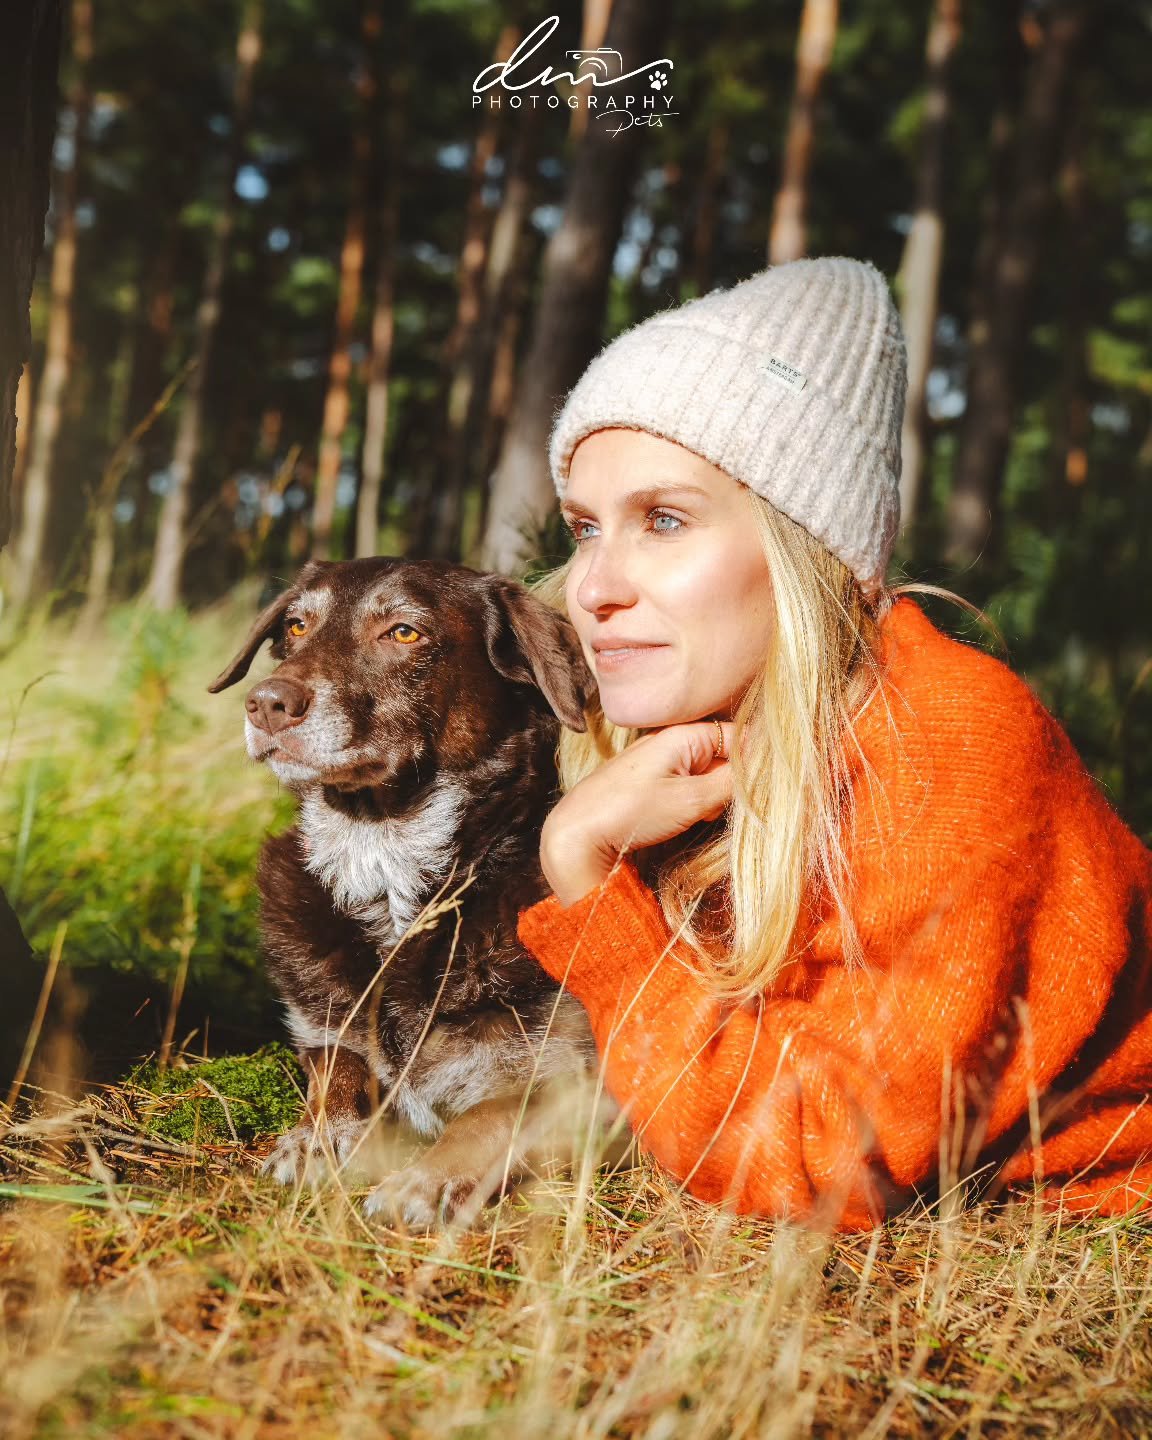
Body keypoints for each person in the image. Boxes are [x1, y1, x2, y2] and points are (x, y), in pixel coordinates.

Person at [514, 256, 1152, 1233]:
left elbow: (814, 1166)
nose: (594, 585)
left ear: (811, 549)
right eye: (587, 527)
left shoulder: (952, 736)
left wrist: (583, 871)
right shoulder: (694, 748)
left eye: (665, 519)